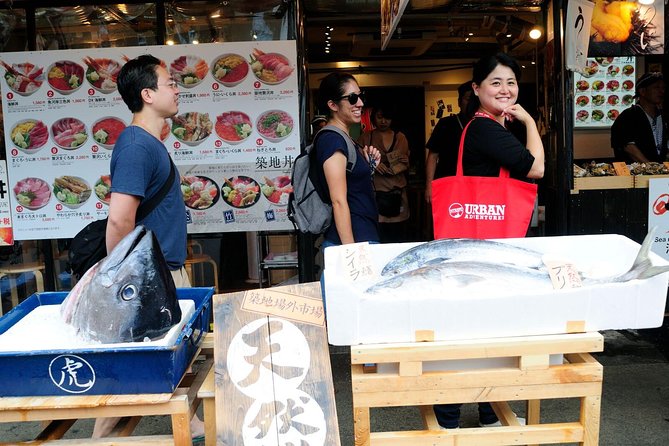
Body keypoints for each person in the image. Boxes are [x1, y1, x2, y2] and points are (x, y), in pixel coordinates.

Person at [94, 54, 203, 439]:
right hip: (149, 277)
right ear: (147, 94)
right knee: (127, 378)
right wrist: (123, 284)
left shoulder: (148, 143)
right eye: (170, 83)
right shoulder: (137, 146)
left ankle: (192, 425)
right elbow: (120, 218)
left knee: (160, 368)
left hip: (162, 271)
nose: (177, 89)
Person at [433, 52, 544, 430]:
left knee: (477, 329)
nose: (505, 89)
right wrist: (529, 120)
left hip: (474, 246)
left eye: (511, 82)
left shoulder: (487, 127)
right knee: (471, 332)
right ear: (477, 88)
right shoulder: (485, 128)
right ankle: (455, 417)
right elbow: (537, 168)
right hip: (478, 250)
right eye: (495, 82)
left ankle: (481, 412)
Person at [315, 72, 381, 247]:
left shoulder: (345, 139)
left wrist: (369, 165)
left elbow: (353, 186)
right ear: (332, 105)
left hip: (361, 233)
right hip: (351, 240)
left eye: (360, 96)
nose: (360, 103)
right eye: (352, 98)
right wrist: (350, 252)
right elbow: (338, 201)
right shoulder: (332, 140)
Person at [357, 104, 410, 242]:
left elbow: (404, 162)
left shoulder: (400, 137)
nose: (383, 121)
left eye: (387, 118)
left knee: (398, 236)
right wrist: (373, 164)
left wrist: (404, 161)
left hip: (397, 192)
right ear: (374, 118)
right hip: (376, 193)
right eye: (380, 117)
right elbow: (357, 163)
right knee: (377, 235)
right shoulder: (365, 138)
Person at [425, 81, 474, 203]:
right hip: (447, 183)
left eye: (475, 99)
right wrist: (429, 186)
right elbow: (432, 156)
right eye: (468, 99)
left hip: (475, 187)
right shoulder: (445, 124)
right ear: (459, 101)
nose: (471, 103)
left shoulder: (484, 124)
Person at [611, 72, 667, 163]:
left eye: (663, 88)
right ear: (642, 91)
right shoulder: (628, 116)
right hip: (637, 173)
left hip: (661, 172)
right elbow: (629, 147)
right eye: (656, 87)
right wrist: (652, 167)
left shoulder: (662, 116)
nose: (662, 91)